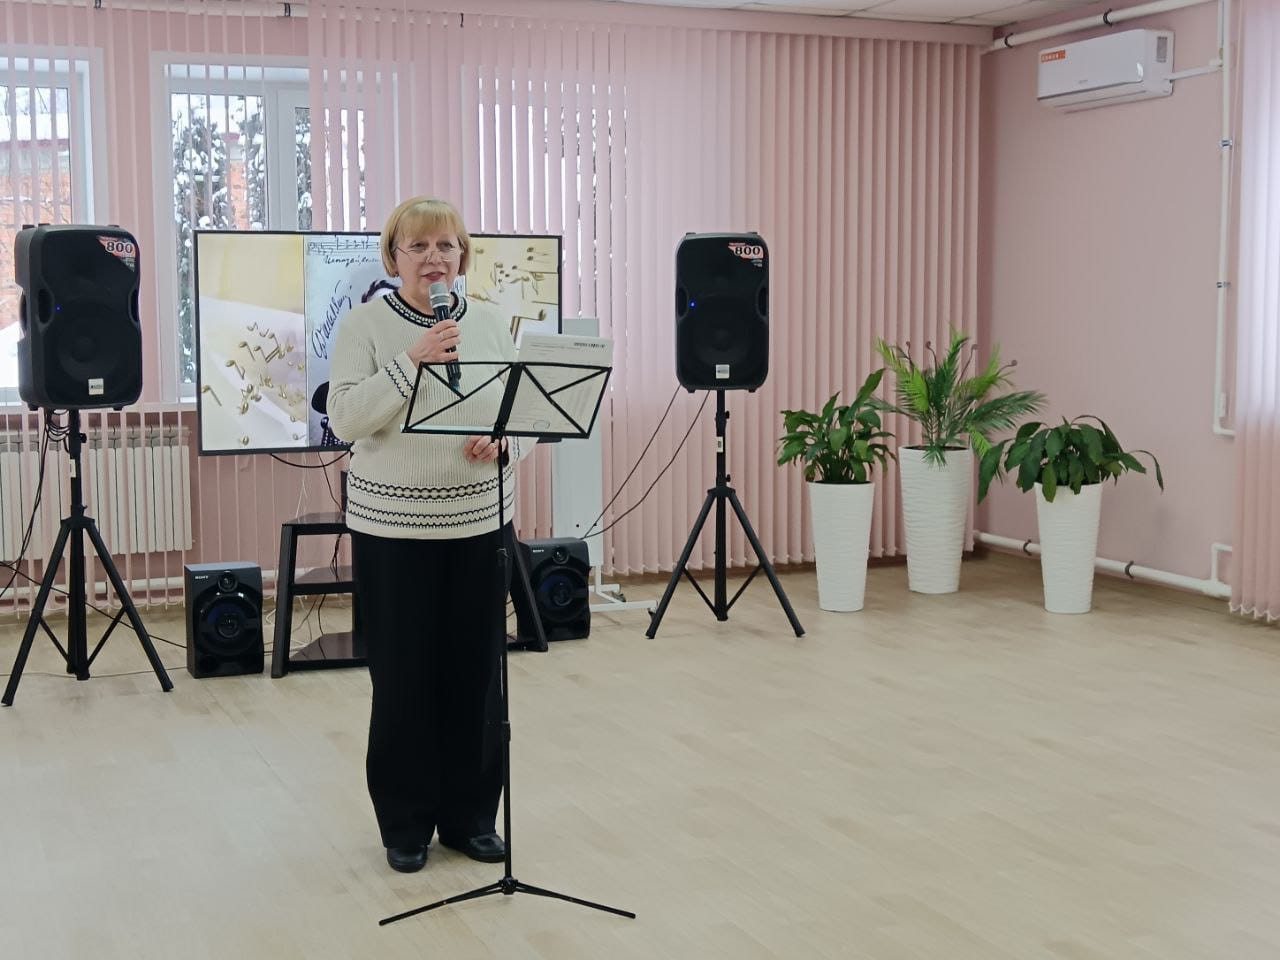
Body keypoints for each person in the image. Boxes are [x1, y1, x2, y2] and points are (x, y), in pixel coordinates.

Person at [326, 196, 530, 873]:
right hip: (393, 529)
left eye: (446, 245)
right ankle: (406, 824)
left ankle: (471, 819)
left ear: (463, 256)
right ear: (394, 259)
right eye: (418, 246)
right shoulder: (364, 325)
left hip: (479, 522)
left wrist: (506, 442)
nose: (434, 258)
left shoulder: (493, 324)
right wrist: (410, 360)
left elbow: (523, 413)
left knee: (477, 677)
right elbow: (346, 418)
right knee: (404, 678)